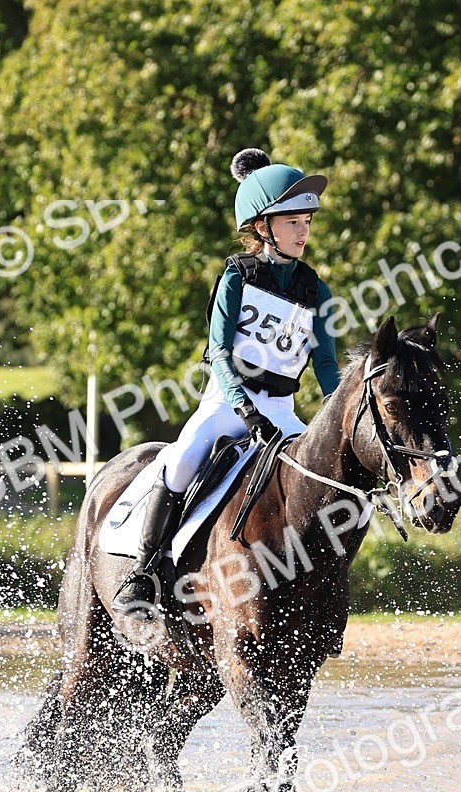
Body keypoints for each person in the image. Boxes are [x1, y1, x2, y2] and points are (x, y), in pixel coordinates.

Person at [113, 147, 342, 615]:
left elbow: (325, 366)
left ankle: (321, 596)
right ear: (263, 228)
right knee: (179, 463)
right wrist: (242, 407)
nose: (304, 231)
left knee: (320, 485)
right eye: (293, 222)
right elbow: (219, 352)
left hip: (281, 409)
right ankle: (145, 572)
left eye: (307, 222)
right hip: (227, 403)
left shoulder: (316, 290)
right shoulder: (236, 278)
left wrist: (338, 417)